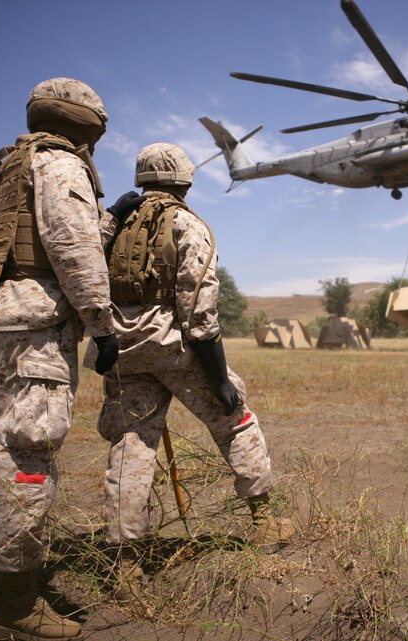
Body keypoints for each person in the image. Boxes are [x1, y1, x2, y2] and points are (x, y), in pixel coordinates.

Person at [0, 77, 144, 641]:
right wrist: (102, 325)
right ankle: (12, 607)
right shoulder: (62, 165)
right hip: (37, 332)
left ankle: (2, 574)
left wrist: (109, 216)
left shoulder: (14, 164)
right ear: (88, 128)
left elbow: (42, 240)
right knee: (24, 455)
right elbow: (72, 249)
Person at [93, 142, 293, 601]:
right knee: (235, 420)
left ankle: (124, 565)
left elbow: (84, 268)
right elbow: (200, 316)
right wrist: (220, 380)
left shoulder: (115, 225)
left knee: (130, 448)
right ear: (185, 180)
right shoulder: (188, 224)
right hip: (175, 349)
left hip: (123, 351)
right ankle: (263, 522)